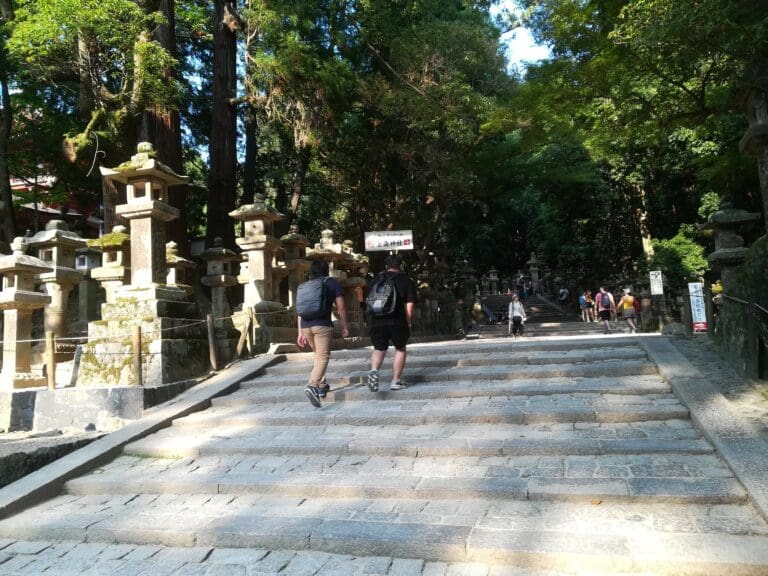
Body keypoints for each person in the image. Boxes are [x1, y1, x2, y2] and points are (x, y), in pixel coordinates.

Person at [297, 260, 349, 407]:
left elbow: (300, 311)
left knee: (317, 355)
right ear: (327, 270)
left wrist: (300, 332)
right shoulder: (331, 283)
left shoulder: (304, 286)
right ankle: (312, 385)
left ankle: (321, 386)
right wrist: (345, 325)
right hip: (322, 326)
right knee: (323, 357)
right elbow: (342, 307)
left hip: (306, 326)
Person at [366, 254, 418, 392]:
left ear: (386, 266)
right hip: (397, 320)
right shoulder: (405, 280)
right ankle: (396, 380)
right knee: (400, 348)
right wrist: (408, 321)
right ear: (400, 266)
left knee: (379, 348)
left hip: (377, 319)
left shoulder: (376, 279)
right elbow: (410, 304)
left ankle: (374, 370)